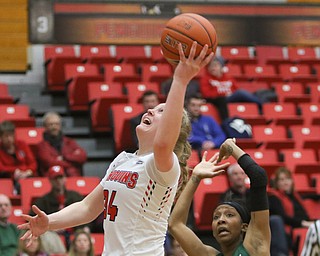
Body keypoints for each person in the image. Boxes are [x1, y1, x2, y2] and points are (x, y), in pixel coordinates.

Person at [18, 41, 214, 255]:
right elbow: (87, 208)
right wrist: (49, 223)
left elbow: (163, 143)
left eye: (161, 112)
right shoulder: (123, 160)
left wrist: (180, 80)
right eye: (154, 107)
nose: (150, 110)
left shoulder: (163, 166)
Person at [168, 138, 271, 255]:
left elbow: (258, 176)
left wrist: (230, 147)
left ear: (244, 227)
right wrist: (195, 177)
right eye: (216, 217)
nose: (221, 220)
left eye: (230, 215)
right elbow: (175, 225)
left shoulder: (255, 246)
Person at [221, 163, 289, 256]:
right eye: (235, 174)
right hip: (242, 227)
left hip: (258, 224)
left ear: (245, 175)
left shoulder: (253, 192)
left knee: (276, 220)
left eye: (241, 173)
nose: (239, 177)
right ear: (230, 177)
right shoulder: (226, 196)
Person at [29, 165, 90, 247]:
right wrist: (51, 228)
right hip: (53, 235)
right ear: (50, 180)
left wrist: (83, 228)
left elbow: (86, 213)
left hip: (76, 233)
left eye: (60, 177)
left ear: (65, 178)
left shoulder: (76, 196)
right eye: (55, 178)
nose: (58, 181)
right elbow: (32, 218)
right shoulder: (43, 201)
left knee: (83, 236)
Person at [199, 56, 263, 121]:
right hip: (218, 100)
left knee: (241, 94)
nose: (212, 68)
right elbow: (206, 94)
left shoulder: (229, 78)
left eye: (215, 65)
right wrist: (224, 94)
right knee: (240, 93)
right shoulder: (205, 79)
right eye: (210, 66)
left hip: (231, 98)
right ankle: (262, 104)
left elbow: (236, 89)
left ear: (221, 67)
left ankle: (261, 108)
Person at [268, 167, 314, 251]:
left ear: (292, 181)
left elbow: (307, 197)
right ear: (277, 183)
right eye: (282, 179)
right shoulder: (274, 197)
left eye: (287, 179)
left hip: (304, 226)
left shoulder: (295, 196)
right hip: (288, 230)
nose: (285, 182)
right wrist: (304, 223)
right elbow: (283, 217)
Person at [36, 112, 87, 177]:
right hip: (53, 179)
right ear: (45, 126)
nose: (54, 127)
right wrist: (73, 163)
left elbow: (82, 156)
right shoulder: (41, 146)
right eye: (51, 124)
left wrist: (64, 157)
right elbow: (50, 162)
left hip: (73, 177)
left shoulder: (70, 142)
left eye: (57, 124)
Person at [0, 120, 37, 192]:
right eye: (6, 136)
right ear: (1, 137)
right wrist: (15, 171)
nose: (9, 139)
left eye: (11, 135)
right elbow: (2, 168)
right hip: (7, 178)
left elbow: (33, 163)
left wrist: (27, 172)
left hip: (27, 176)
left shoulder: (22, 144)